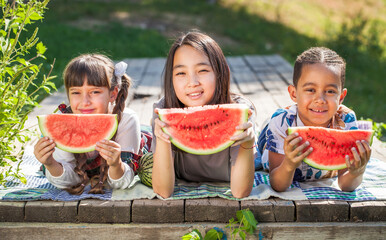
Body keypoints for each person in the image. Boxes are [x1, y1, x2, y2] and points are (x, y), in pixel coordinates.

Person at [151, 31, 257, 199]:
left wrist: (248, 143)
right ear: (171, 79)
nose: (192, 82)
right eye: (180, 73)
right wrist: (163, 139)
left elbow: (240, 192)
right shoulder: (163, 110)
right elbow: (163, 191)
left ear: (220, 72)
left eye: (202, 70)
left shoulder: (240, 110)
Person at [258, 47, 371, 192]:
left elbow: (345, 185)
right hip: (272, 136)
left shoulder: (346, 121)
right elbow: (278, 185)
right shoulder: (281, 122)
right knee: (261, 144)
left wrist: (357, 172)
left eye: (330, 91)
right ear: (293, 93)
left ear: (341, 97)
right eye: (311, 90)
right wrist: (289, 164)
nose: (320, 100)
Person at [34, 54, 141, 194]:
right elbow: (71, 181)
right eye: (76, 92)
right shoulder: (63, 122)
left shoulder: (126, 120)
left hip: (129, 139)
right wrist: (50, 163)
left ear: (113, 94)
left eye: (95, 92)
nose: (85, 102)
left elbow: (122, 182)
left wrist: (116, 164)